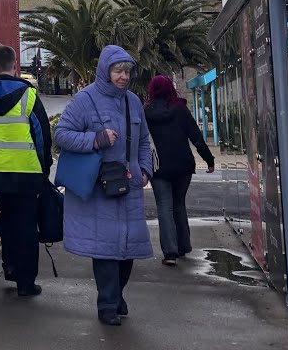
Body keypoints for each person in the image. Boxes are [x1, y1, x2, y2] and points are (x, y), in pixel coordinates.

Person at [54, 46, 153, 326]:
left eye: (127, 71)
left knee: (129, 251)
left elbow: (144, 140)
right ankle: (107, 305)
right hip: (101, 187)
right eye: (118, 71)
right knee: (106, 251)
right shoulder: (85, 100)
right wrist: (95, 140)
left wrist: (146, 169)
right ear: (105, 71)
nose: (124, 77)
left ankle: (116, 295)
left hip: (130, 185)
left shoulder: (133, 101)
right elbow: (61, 134)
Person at [0, 45, 52, 297]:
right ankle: (26, 282)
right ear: (15, 65)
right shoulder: (30, 96)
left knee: (7, 219)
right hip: (26, 173)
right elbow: (42, 138)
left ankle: (11, 267)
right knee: (26, 224)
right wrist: (44, 169)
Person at [144, 74, 214, 266]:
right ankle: (183, 245)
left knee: (164, 207)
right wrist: (209, 160)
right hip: (183, 166)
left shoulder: (146, 112)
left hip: (158, 167)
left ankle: (170, 253)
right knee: (179, 204)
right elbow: (195, 135)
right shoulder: (180, 109)